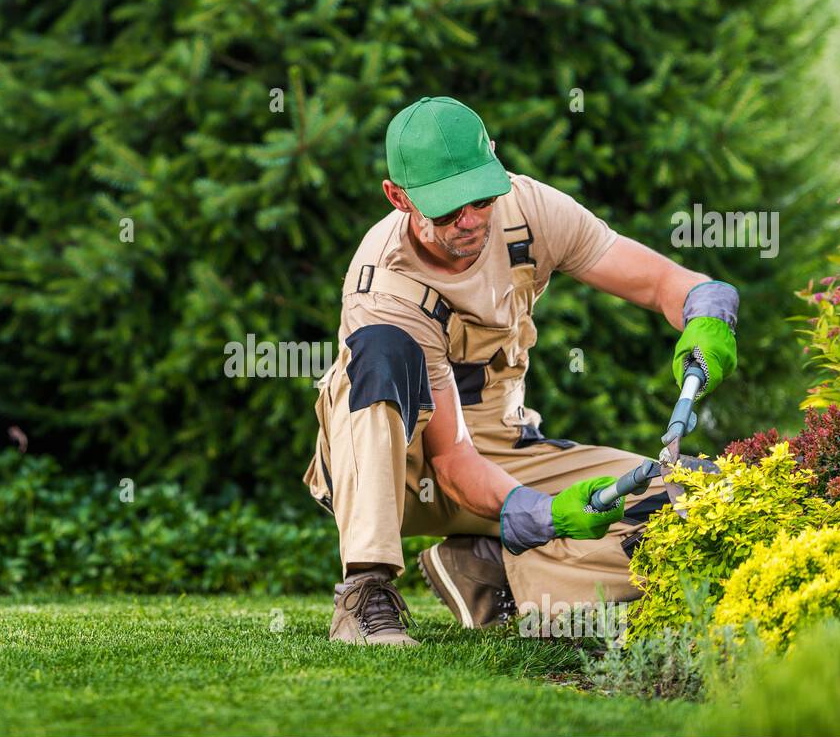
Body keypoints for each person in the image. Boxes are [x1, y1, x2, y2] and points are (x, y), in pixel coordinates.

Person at [302, 96, 739, 645]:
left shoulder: (528, 210)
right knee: (381, 352)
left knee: (684, 498)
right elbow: (452, 458)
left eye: (479, 199)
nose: (469, 221)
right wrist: (541, 511)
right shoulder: (383, 285)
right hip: (406, 469)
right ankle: (365, 593)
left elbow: (658, 282)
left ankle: (487, 571)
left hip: (504, 446)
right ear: (398, 197)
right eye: (446, 208)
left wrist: (705, 309)